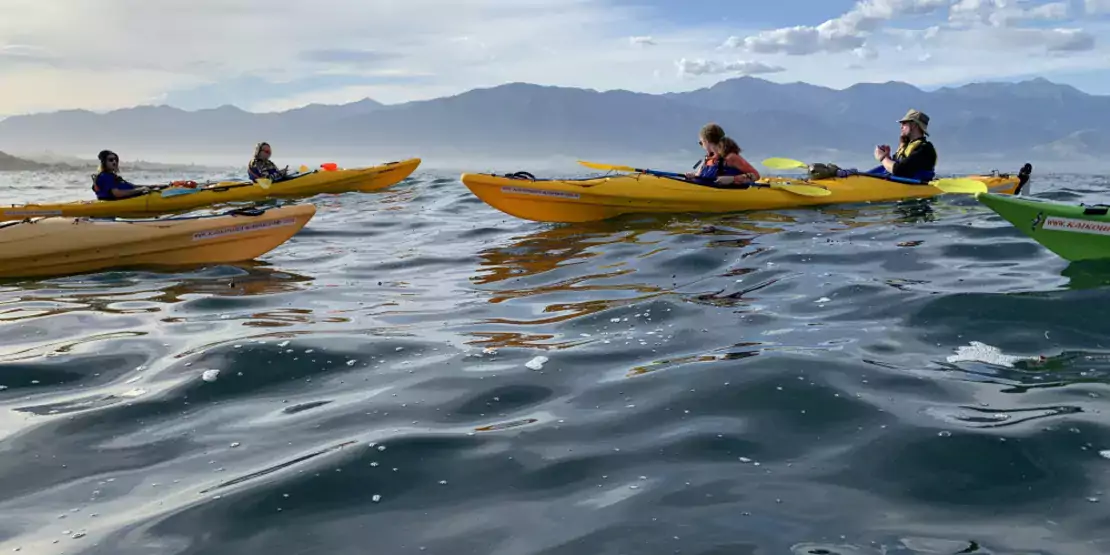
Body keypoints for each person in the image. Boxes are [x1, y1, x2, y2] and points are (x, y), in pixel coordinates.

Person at [867, 109, 937, 182]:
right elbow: (895, 167)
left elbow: (899, 170)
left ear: (914, 125)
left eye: (904, 123)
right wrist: (888, 157)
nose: (901, 127)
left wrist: (883, 158)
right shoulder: (906, 146)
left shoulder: (925, 149)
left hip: (913, 186)